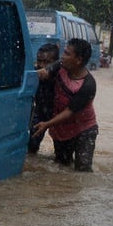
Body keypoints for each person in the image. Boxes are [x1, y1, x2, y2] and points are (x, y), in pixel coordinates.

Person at [33, 38, 98, 172]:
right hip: (62, 128)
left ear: (78, 60)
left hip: (84, 129)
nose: (63, 56)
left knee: (82, 170)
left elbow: (69, 112)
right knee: (62, 166)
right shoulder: (61, 65)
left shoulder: (88, 85)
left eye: (67, 53)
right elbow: (44, 72)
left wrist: (46, 124)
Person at [28, 42, 60, 155]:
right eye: (39, 61)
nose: (41, 65)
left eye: (46, 62)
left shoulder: (62, 76)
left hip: (60, 117)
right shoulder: (34, 72)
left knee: (62, 158)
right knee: (30, 148)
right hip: (41, 113)